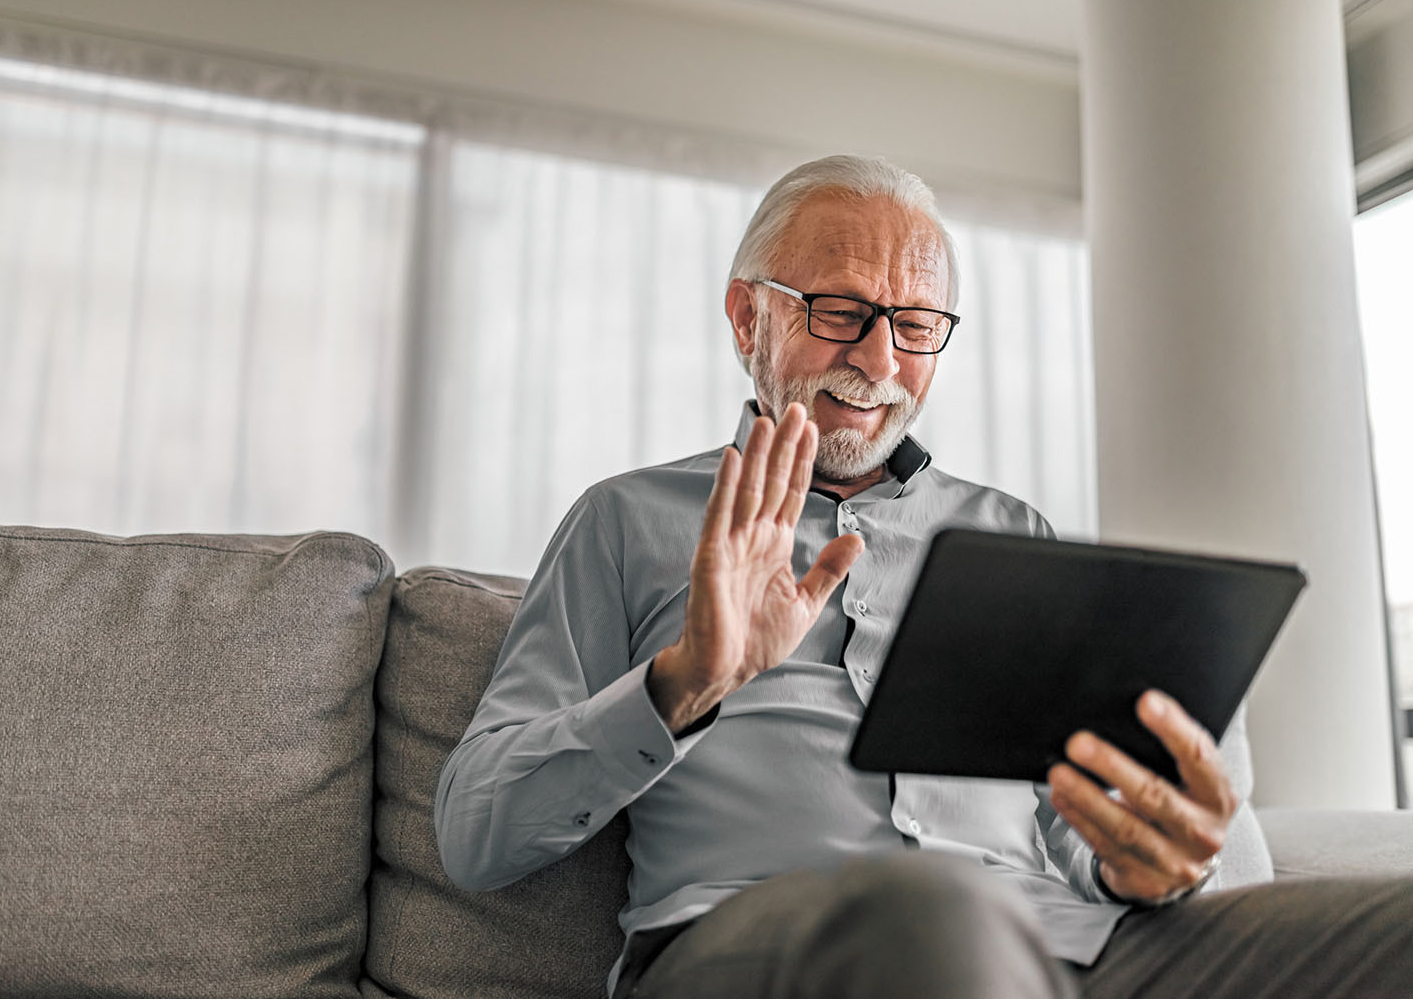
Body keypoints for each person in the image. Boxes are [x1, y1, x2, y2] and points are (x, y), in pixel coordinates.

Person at [434, 155, 1412, 999]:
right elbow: (476, 832)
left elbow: (1073, 831)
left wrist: (1145, 862)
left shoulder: (1012, 532)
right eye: (841, 312)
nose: (879, 361)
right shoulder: (625, 521)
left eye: (915, 326)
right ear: (747, 315)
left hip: (1054, 945)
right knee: (938, 910)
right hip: (757, 942)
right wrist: (686, 682)